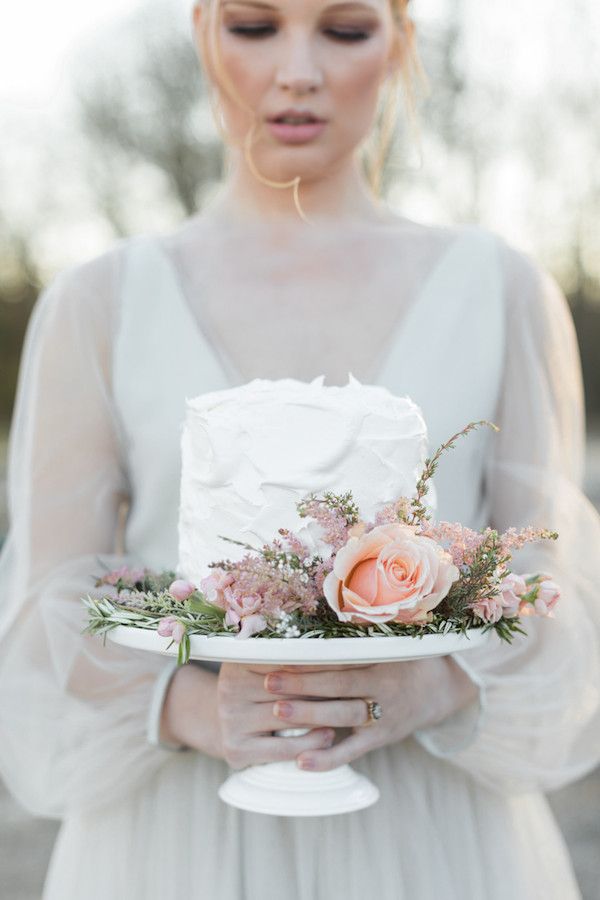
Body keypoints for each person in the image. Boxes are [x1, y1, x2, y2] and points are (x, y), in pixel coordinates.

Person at [1, 0, 599, 897]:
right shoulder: (102, 300)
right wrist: (200, 708)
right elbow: (48, 598)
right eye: (254, 26)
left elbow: (557, 579)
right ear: (203, 33)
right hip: (178, 839)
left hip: (432, 833)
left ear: (401, 44)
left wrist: (434, 687)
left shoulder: (501, 288)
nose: (299, 72)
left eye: (345, 29)